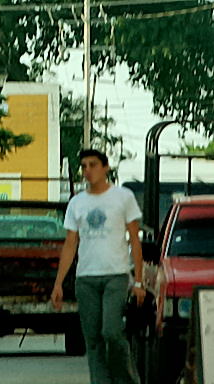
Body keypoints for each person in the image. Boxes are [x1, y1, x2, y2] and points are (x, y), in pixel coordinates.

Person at [51, 149, 144, 384]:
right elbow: (70, 243)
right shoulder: (77, 203)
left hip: (116, 275)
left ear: (105, 168)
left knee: (111, 332)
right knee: (93, 340)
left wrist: (139, 281)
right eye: (83, 166)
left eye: (93, 165)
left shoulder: (123, 197)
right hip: (86, 278)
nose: (88, 170)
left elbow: (135, 239)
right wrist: (59, 283)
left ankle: (126, 379)